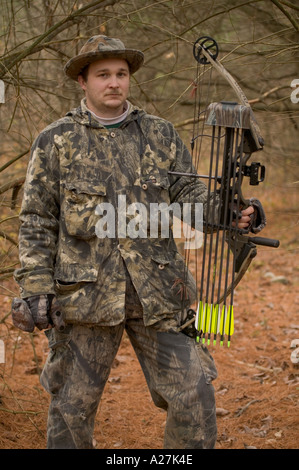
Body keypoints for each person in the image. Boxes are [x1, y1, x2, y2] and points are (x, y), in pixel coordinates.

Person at [13, 35, 254, 449]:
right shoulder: (56, 140)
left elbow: (189, 200)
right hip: (84, 298)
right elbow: (37, 220)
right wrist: (35, 286)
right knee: (71, 409)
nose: (114, 83)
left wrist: (229, 210)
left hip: (159, 293)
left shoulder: (160, 134)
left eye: (121, 74)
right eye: (103, 74)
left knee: (194, 393)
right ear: (83, 82)